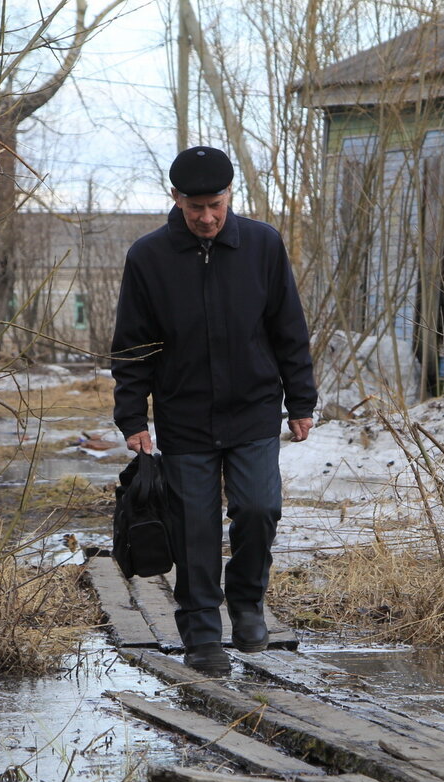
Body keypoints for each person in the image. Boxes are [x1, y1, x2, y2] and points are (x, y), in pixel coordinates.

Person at [111, 146, 316, 676]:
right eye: (195, 205)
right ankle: (202, 631)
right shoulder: (149, 257)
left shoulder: (263, 246)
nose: (206, 217)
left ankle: (247, 603)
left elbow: (288, 329)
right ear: (176, 199)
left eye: (216, 204)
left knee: (258, 507)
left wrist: (301, 400)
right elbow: (132, 345)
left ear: (230, 196)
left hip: (252, 409)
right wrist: (132, 417)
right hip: (183, 414)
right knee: (193, 528)